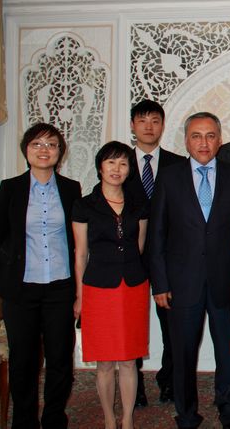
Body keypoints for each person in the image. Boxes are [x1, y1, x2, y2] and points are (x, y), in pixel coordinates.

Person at [150, 112, 230, 429]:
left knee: (228, 353)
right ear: (186, 141)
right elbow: (157, 234)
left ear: (219, 140)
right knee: (183, 354)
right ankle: (187, 414)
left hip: (226, 281)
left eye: (210, 136)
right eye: (196, 136)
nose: (203, 143)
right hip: (181, 283)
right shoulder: (169, 177)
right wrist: (159, 283)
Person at [0, 123, 81, 429]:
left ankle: (54, 417)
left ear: (60, 152)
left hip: (60, 287)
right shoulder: (10, 188)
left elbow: (77, 241)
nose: (44, 150)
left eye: (51, 144)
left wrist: (79, 291)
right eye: (37, 144)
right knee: (24, 360)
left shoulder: (71, 189)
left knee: (60, 359)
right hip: (21, 289)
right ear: (26, 150)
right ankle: (24, 421)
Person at [73, 141, 149, 429]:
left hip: (132, 287)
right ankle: (108, 418)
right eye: (111, 162)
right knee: (104, 361)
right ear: (100, 167)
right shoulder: (84, 205)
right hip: (98, 289)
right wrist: (80, 296)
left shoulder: (138, 205)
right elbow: (81, 254)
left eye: (123, 163)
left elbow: (139, 246)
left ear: (129, 170)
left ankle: (127, 419)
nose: (117, 169)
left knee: (129, 359)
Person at [126, 99, 185, 406]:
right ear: (133, 126)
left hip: (168, 256)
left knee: (171, 324)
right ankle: (133, 385)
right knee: (131, 323)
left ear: (163, 125)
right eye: (142, 120)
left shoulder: (178, 164)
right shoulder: (118, 161)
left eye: (155, 121)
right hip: (129, 256)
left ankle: (169, 380)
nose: (149, 127)